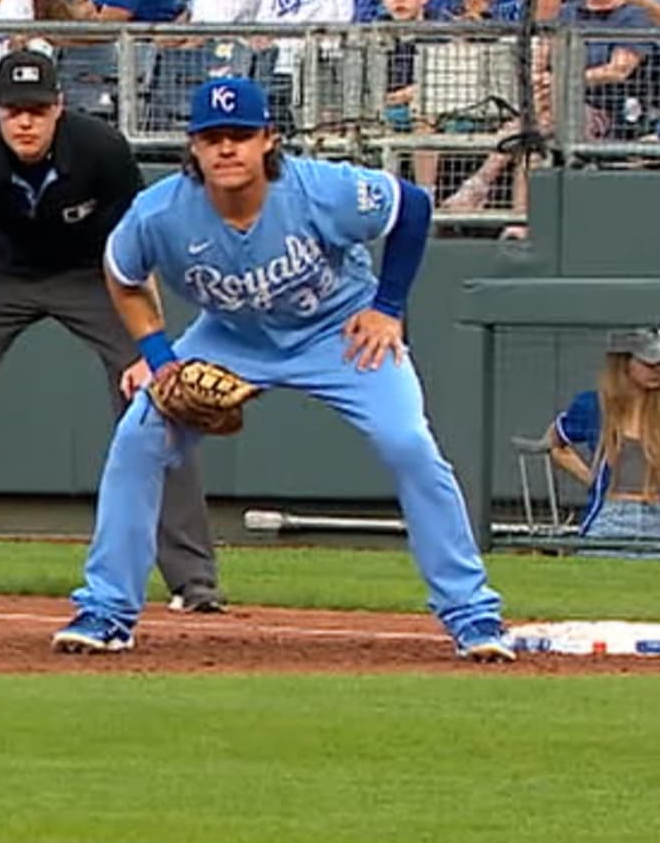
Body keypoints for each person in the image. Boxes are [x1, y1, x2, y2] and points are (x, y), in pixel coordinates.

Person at [62, 75, 511, 659]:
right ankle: (105, 610)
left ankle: (472, 614)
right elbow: (122, 277)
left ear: (268, 139)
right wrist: (158, 357)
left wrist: (388, 307)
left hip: (340, 334)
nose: (227, 148)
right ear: (193, 146)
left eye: (241, 135)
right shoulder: (162, 212)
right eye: (213, 136)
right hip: (230, 337)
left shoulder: (321, 190)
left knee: (408, 443)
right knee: (137, 440)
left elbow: (413, 207)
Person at [0, 51, 226, 612]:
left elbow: (138, 254)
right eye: (14, 110)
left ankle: (193, 579)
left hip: (97, 273)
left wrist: (148, 350)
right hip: (0, 270)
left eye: (37, 109)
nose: (25, 122)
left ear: (60, 106)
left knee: (162, 398)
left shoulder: (101, 150)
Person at [548, 328, 660, 550]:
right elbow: (556, 444)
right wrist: (592, 479)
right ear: (624, 364)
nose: (658, 371)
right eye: (649, 364)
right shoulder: (593, 405)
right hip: (611, 516)